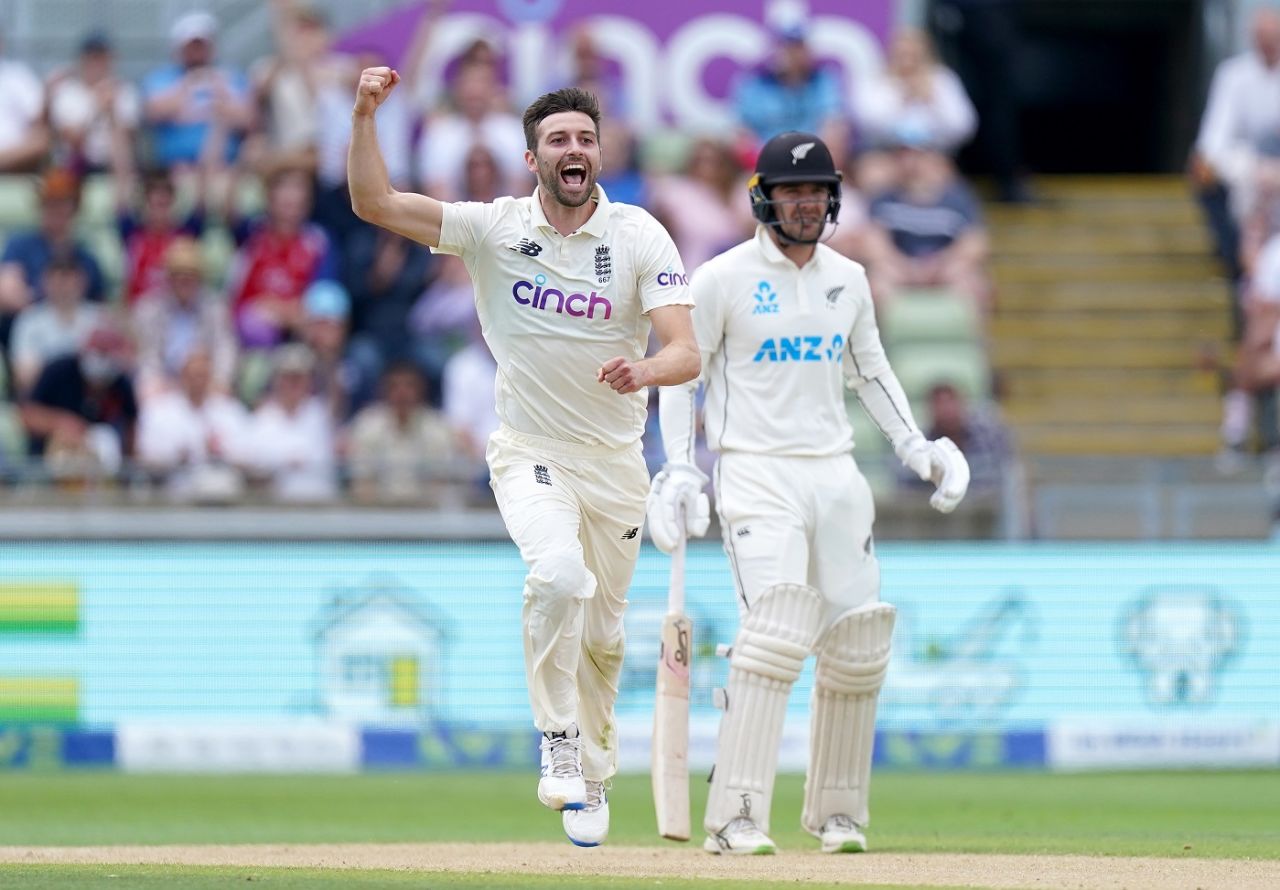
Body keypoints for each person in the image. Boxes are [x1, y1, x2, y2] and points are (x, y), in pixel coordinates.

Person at [348, 73, 699, 847]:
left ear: (599, 153)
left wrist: (644, 369)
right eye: (558, 140)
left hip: (616, 463)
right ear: (532, 158)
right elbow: (375, 203)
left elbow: (687, 351)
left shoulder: (639, 234)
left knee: (604, 638)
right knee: (557, 575)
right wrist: (365, 115)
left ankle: (595, 773)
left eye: (585, 139)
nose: (574, 149)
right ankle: (559, 739)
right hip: (531, 451)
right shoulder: (493, 228)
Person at [648, 132, 970, 855]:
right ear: (763, 197)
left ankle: (837, 814)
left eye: (818, 192)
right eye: (792, 192)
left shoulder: (848, 278)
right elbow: (681, 370)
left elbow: (872, 370)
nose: (806, 204)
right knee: (771, 637)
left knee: (857, 642)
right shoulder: (721, 277)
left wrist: (916, 447)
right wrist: (680, 468)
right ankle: (735, 816)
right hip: (755, 471)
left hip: (836, 473)